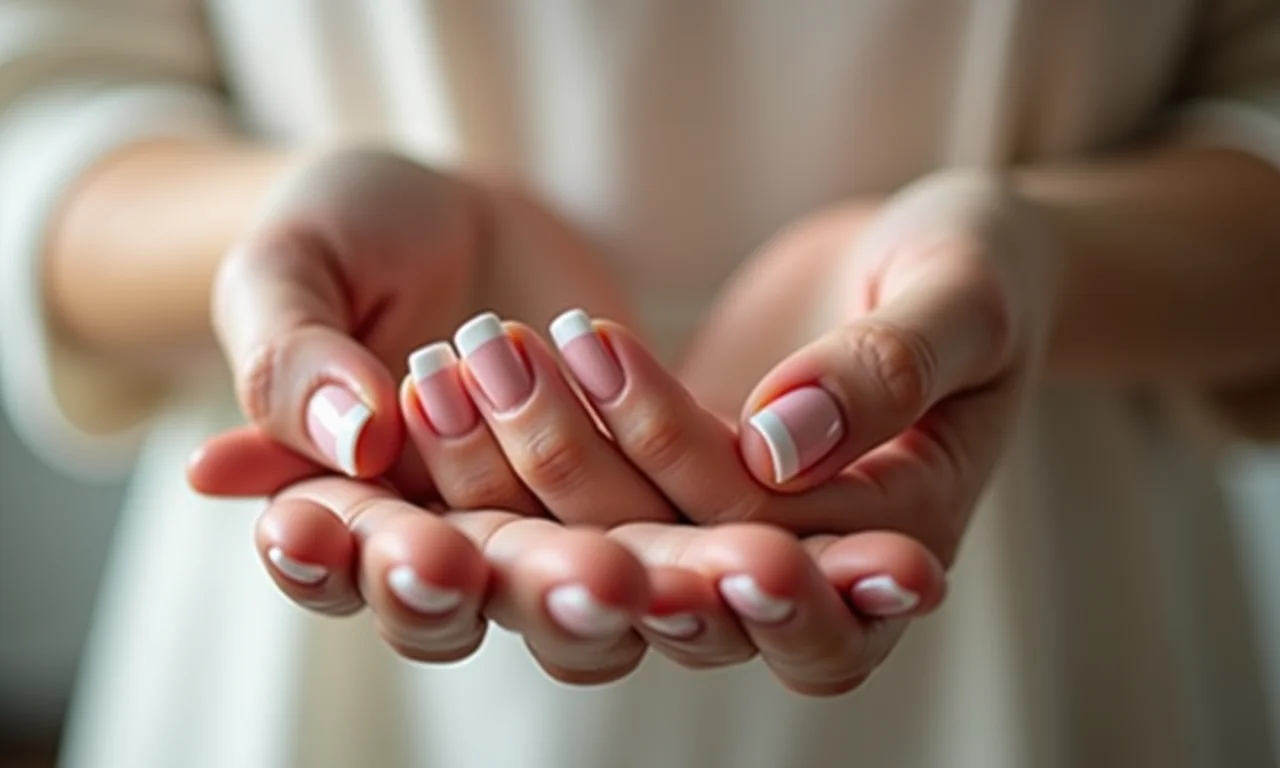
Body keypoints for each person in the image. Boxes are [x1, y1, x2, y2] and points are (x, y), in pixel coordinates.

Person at [2, 1, 1278, 767]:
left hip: (1051, 600)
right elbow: (42, 110)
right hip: (331, 620)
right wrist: (276, 242)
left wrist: (1042, 269)